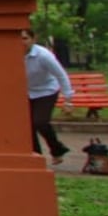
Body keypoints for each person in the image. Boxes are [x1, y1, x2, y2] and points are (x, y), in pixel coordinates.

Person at [22, 27, 74, 163]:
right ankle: (36, 155)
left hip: (47, 91)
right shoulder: (12, 53)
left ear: (33, 39)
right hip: (26, 92)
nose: (21, 42)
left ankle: (57, 149)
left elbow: (61, 75)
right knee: (26, 125)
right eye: (18, 39)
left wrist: (68, 100)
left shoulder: (43, 55)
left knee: (40, 122)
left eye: (25, 38)